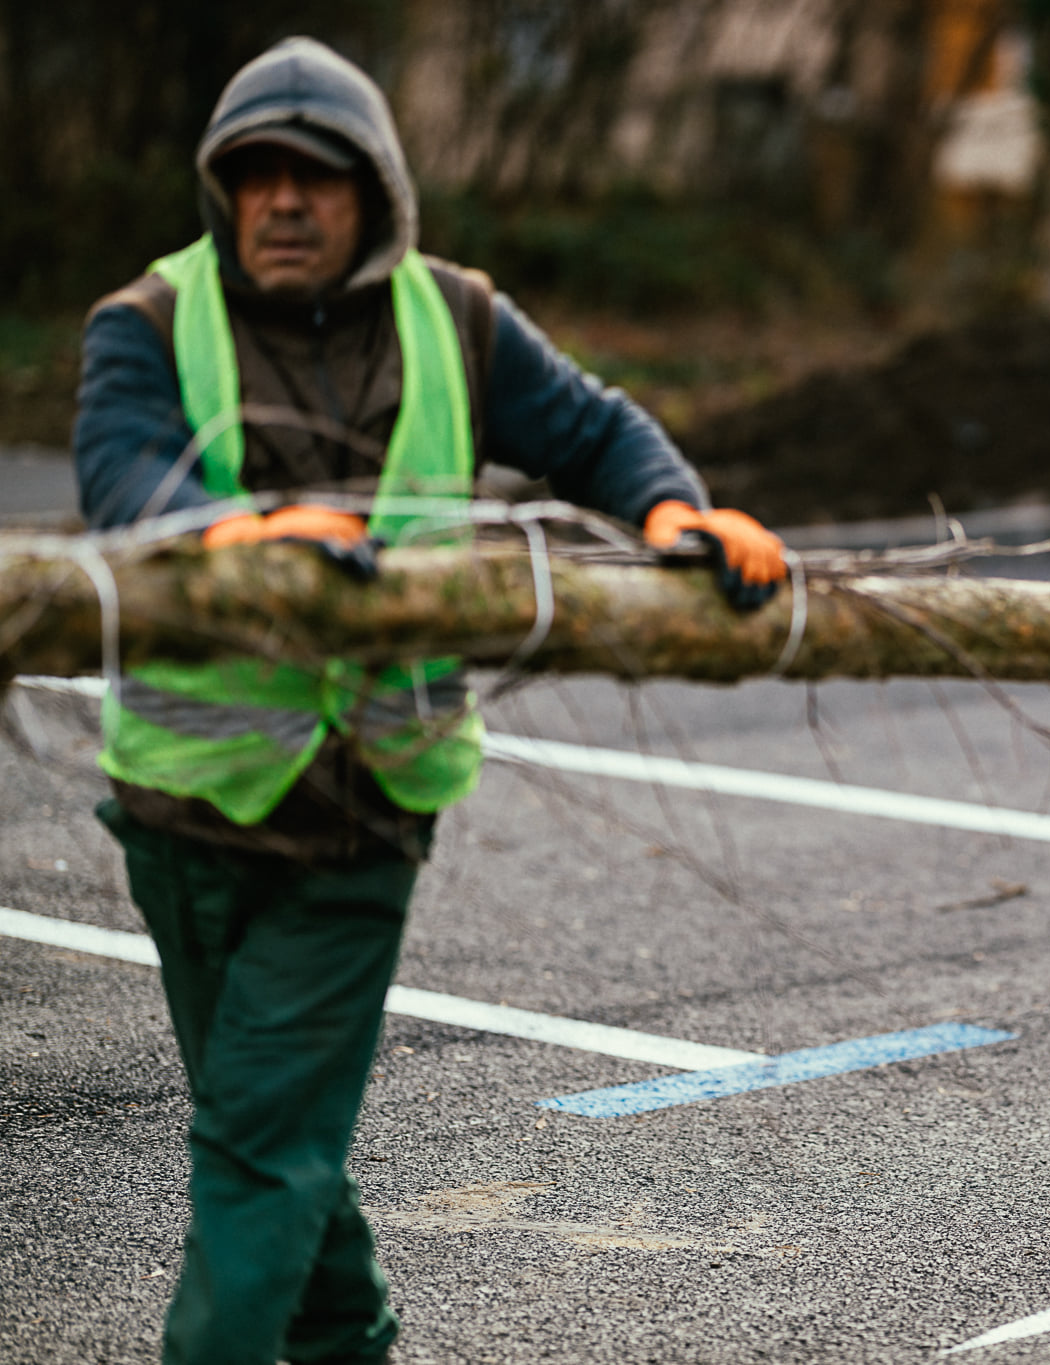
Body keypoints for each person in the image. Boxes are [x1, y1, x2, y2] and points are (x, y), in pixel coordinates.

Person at [70, 36, 784, 1365]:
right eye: (258, 175)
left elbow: (592, 430)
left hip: (364, 814)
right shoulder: (151, 321)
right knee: (270, 1128)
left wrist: (674, 509)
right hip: (184, 813)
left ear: (376, 192)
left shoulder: (456, 319)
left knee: (260, 1140)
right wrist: (228, 532)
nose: (286, 200)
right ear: (224, 190)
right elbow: (123, 471)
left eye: (318, 176)